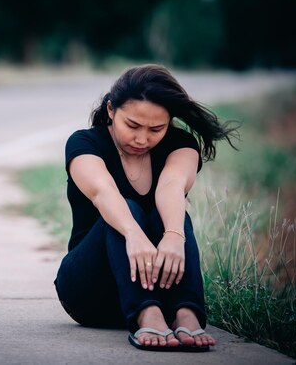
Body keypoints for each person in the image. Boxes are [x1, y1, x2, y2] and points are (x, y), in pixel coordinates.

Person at [54, 64, 238, 352]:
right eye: (133, 125)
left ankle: (186, 313)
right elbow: (103, 192)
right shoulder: (84, 143)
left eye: (156, 129)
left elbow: (172, 186)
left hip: (161, 288)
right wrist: (133, 234)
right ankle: (146, 313)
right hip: (89, 290)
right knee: (125, 209)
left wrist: (175, 236)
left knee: (173, 215)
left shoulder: (180, 144)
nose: (142, 139)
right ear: (111, 110)